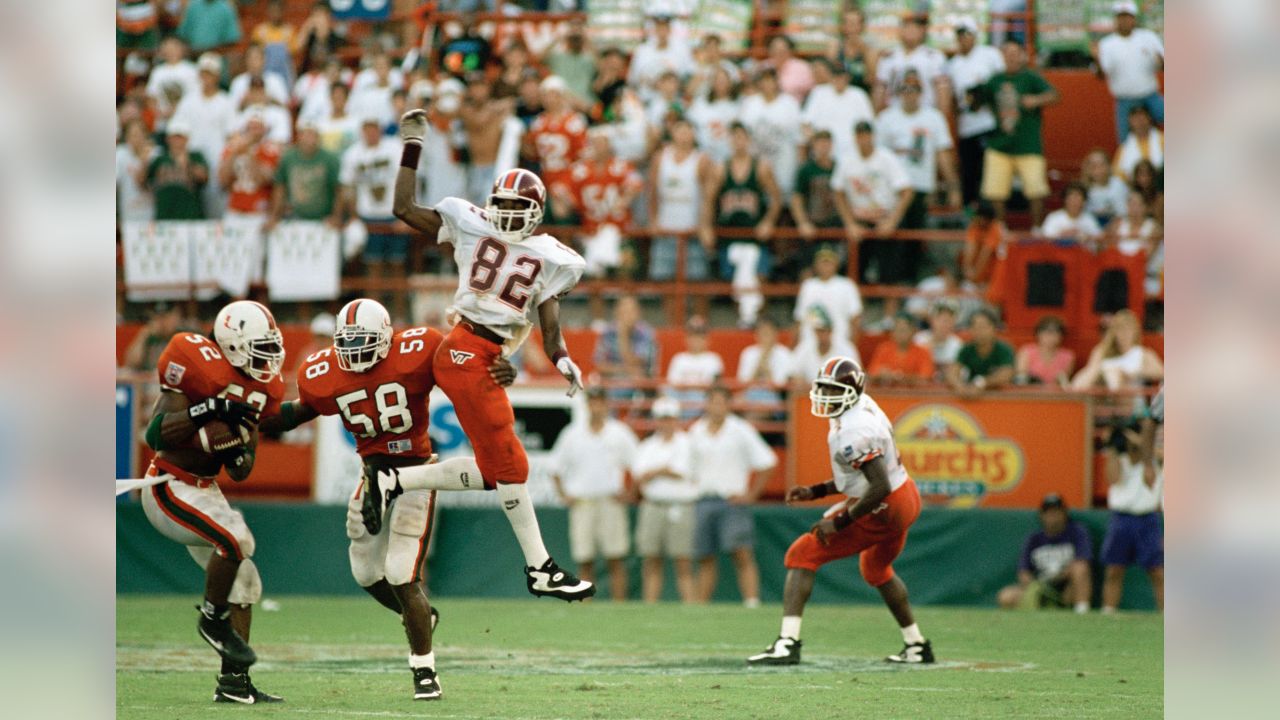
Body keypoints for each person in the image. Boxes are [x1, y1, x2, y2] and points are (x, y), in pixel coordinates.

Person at [261, 299, 517, 701]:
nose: (354, 351)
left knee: (401, 572)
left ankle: (424, 670)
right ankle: (420, 617)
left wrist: (499, 368)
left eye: (363, 341)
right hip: (372, 473)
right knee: (365, 573)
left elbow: (464, 367)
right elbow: (300, 411)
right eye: (347, 342)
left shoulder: (417, 350)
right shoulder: (323, 372)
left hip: (416, 472)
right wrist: (252, 417)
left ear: (386, 336)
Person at [392, 109, 597, 603]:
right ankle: (541, 569)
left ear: (537, 211)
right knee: (511, 464)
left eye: (515, 206)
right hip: (463, 345)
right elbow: (403, 208)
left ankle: (393, 480)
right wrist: (413, 144)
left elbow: (548, 328)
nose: (505, 213)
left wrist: (563, 360)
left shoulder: (552, 257)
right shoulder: (469, 222)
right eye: (500, 203)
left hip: (484, 351)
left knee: (495, 470)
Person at [141, 300, 286, 703]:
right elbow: (155, 436)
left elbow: (242, 470)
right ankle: (212, 619)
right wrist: (209, 409)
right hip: (169, 485)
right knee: (237, 539)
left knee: (246, 580)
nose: (269, 358)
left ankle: (234, 684)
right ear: (233, 344)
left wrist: (235, 449)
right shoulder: (195, 362)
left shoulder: (263, 388)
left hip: (206, 489)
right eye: (260, 347)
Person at [748, 357, 931, 665]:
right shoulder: (861, 408)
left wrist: (843, 521)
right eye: (823, 388)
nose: (824, 396)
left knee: (801, 554)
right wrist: (817, 491)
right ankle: (917, 645)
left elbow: (878, 486)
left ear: (850, 391)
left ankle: (787, 643)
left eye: (832, 390)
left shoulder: (854, 429)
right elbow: (862, 476)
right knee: (875, 569)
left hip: (886, 505)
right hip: (906, 494)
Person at [689, 385, 777, 607]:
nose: (716, 407)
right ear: (706, 404)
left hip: (732, 500)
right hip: (704, 499)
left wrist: (751, 495)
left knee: (741, 553)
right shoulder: (696, 430)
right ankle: (701, 604)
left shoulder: (741, 430)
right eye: (712, 401)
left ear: (728, 405)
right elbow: (688, 467)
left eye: (721, 402)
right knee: (705, 556)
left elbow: (767, 462)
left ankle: (751, 601)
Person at [549, 387, 640, 601]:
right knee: (585, 559)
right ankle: (585, 606)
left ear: (606, 405)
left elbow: (638, 465)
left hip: (610, 501)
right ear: (587, 405)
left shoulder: (619, 433)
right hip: (583, 502)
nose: (596, 407)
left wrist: (629, 494)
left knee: (615, 557)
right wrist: (564, 495)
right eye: (593, 402)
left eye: (600, 402)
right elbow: (555, 468)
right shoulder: (572, 434)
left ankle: (619, 608)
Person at [702, 122, 783, 327]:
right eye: (735, 138)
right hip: (729, 235)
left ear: (749, 140)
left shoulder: (761, 167)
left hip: (754, 236)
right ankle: (743, 322)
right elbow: (709, 200)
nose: (739, 142)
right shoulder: (721, 168)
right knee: (735, 283)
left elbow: (776, 198)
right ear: (730, 141)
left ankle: (759, 323)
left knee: (760, 278)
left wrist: (768, 222)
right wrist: (706, 227)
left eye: (743, 137)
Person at [978, 40, 1059, 227]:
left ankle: (1037, 229)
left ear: (1022, 56)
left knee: (1036, 191)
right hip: (999, 144)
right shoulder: (994, 80)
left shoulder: (1030, 78)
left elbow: (1055, 95)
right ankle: (1001, 229)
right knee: (995, 191)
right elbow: (983, 101)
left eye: (1015, 53)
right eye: (1007, 53)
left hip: (1028, 144)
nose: (1011, 57)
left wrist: (1036, 100)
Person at [632, 397, 698, 603]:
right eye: (662, 419)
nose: (665, 423)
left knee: (683, 561)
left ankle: (690, 607)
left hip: (680, 506)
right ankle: (650, 605)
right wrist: (663, 470)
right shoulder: (648, 446)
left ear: (676, 420)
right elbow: (640, 475)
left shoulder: (687, 443)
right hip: (653, 505)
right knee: (651, 560)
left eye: (669, 419)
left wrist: (656, 471)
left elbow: (680, 472)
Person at [832, 120, 914, 286]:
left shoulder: (887, 158)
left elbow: (907, 191)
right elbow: (837, 192)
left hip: (885, 217)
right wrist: (849, 223)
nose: (863, 140)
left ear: (873, 136)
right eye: (859, 136)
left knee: (891, 273)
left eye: (866, 135)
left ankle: (890, 311)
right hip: (860, 220)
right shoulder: (847, 160)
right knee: (855, 272)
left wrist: (892, 221)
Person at [558, 127, 644, 278]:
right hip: (591, 230)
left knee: (625, 275)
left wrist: (624, 199)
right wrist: (571, 203)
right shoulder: (580, 169)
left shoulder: (620, 166)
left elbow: (635, 184)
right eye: (594, 143)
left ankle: (625, 301)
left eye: (601, 143)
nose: (597, 147)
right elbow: (559, 190)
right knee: (595, 279)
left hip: (619, 228)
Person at [338, 117, 403, 313]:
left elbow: (406, 179)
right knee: (372, 267)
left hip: (393, 213)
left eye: (374, 128)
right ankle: (373, 315)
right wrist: (354, 215)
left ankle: (399, 313)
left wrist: (404, 213)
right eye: (367, 128)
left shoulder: (394, 148)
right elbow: (348, 187)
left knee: (397, 265)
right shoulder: (353, 154)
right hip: (368, 215)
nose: (371, 133)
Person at [1099, 419, 1164, 612]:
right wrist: (1113, 448)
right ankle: (1108, 611)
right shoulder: (1120, 459)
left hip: (1147, 518)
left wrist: (1139, 442)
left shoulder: (1153, 460)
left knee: (1157, 571)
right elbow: (1113, 479)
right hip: (1121, 518)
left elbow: (1162, 455)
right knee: (1114, 569)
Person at [996, 493, 1094, 613]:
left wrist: (1058, 577)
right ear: (1041, 515)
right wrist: (1035, 586)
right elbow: (1023, 572)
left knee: (1080, 568)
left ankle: (1082, 611)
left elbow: (1082, 562)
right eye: (1048, 512)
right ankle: (1029, 622)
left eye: (1056, 511)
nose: (1052, 516)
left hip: (1065, 588)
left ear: (1064, 513)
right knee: (1006, 596)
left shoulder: (1077, 532)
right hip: (1042, 588)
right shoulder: (1034, 539)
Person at [648, 117, 716, 282]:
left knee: (697, 282)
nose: (684, 135)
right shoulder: (660, 158)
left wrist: (705, 225)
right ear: (672, 133)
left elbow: (708, 197)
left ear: (694, 135)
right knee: (664, 281)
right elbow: (653, 192)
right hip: (666, 229)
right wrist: (653, 220)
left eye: (688, 131)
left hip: (692, 231)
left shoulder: (702, 160)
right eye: (680, 131)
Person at [946, 17, 1005, 206]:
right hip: (967, 123)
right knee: (969, 170)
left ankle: (989, 212)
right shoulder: (953, 64)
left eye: (967, 34)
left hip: (990, 121)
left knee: (990, 170)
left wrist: (984, 94)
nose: (963, 39)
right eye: (960, 35)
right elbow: (954, 98)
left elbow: (1002, 84)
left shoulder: (990, 54)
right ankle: (971, 212)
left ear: (975, 35)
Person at [1095, 2, 1164, 140]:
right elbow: (1101, 74)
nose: (1124, 20)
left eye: (1128, 16)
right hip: (1125, 100)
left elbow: (1163, 64)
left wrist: (1161, 61)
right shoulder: (1107, 44)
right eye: (1121, 17)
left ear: (1134, 18)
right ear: (1115, 19)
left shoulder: (1148, 37)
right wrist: (1096, 61)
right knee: (1125, 142)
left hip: (1150, 95)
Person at [525, 77, 590, 223]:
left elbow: (584, 156)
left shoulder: (574, 121)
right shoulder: (539, 122)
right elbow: (532, 153)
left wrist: (569, 182)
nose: (548, 99)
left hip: (568, 176)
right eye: (545, 95)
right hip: (546, 176)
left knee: (562, 214)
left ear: (561, 95)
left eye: (552, 94)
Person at [265, 120, 342, 232]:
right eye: (306, 134)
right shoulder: (288, 157)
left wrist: (336, 216)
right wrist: (274, 216)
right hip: (294, 217)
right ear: (299, 136)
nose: (309, 138)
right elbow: (280, 188)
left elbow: (338, 190)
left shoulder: (330, 159)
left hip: (323, 219)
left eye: (313, 134)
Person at [739, 69, 802, 197]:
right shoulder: (749, 103)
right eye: (764, 80)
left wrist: (799, 164)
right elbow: (741, 136)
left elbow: (799, 138)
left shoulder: (789, 103)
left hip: (783, 161)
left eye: (770, 80)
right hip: (756, 161)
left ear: (776, 82)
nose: (767, 84)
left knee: (783, 197)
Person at [1071, 309, 1163, 391]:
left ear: (1135, 331)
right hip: (1103, 397)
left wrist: (1134, 373)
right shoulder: (1102, 350)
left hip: (1131, 401)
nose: (1124, 334)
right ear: (1113, 332)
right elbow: (1090, 371)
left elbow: (1161, 373)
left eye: (1128, 330)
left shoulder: (1144, 354)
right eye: (1120, 330)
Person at [875, 13, 949, 112]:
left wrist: (940, 118)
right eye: (907, 27)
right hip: (895, 114)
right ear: (900, 30)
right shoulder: (889, 57)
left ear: (922, 31)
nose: (911, 31)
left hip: (925, 112)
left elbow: (942, 91)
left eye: (915, 28)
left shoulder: (934, 56)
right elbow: (880, 89)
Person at [794, 246, 863, 349]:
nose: (826, 266)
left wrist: (851, 346)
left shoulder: (847, 285)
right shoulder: (808, 286)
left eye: (829, 262)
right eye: (822, 262)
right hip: (810, 345)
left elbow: (855, 319)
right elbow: (799, 319)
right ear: (816, 264)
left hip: (839, 344)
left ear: (836, 264)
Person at [146, 120, 210, 220]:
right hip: (164, 215)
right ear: (168, 138)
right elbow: (143, 181)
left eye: (180, 137)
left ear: (187, 139)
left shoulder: (196, 156)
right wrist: (144, 159)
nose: (177, 141)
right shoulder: (160, 159)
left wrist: (187, 164)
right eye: (174, 137)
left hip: (191, 217)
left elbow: (204, 177)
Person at [627, 12, 695, 102]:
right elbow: (632, 78)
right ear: (654, 29)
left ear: (670, 29)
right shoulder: (643, 50)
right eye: (659, 27)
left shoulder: (682, 49)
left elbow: (689, 75)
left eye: (665, 27)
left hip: (673, 101)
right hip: (646, 100)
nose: (662, 31)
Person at [593, 294, 659, 387]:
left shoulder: (646, 334)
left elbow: (636, 363)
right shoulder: (607, 333)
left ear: (638, 313)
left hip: (641, 384)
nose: (627, 316)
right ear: (616, 313)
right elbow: (599, 364)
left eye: (631, 311)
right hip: (611, 382)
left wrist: (623, 336)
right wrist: (622, 369)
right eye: (623, 311)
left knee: (637, 377)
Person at [946, 307, 1015, 395]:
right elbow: (952, 372)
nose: (979, 331)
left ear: (994, 328)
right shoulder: (967, 349)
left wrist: (983, 383)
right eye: (975, 327)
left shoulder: (1004, 349)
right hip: (972, 396)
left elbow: (1006, 374)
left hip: (1000, 398)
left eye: (983, 327)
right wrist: (959, 386)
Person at [789, 307, 858, 389]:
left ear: (831, 331)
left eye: (825, 330)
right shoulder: (804, 348)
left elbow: (856, 378)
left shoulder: (846, 350)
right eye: (819, 331)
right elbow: (792, 374)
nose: (823, 335)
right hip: (809, 395)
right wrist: (798, 380)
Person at [867, 313, 935, 386]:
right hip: (888, 393)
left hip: (913, 395)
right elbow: (871, 374)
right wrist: (881, 374)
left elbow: (926, 378)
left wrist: (902, 378)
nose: (900, 333)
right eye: (897, 329)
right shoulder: (884, 349)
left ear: (913, 331)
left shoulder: (923, 352)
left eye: (903, 330)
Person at [1015, 315, 1075, 386]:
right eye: (1047, 332)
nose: (1051, 337)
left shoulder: (1068, 356)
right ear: (1038, 333)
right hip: (1029, 392)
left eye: (1056, 333)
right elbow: (1021, 377)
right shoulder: (1027, 351)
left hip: (1055, 394)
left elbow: (1064, 382)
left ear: (1061, 336)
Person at [666, 316, 724, 388]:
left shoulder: (713, 359)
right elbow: (672, 384)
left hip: (705, 397)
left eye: (700, 337)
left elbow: (715, 386)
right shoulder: (679, 358)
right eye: (692, 336)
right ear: (686, 339)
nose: (696, 340)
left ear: (707, 340)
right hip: (681, 397)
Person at [960, 200, 1006, 290]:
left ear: (984, 218)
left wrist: (975, 276)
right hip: (976, 278)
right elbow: (969, 249)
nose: (973, 218)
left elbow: (985, 255)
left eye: (976, 216)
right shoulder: (974, 226)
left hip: (993, 278)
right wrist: (967, 270)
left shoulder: (996, 229)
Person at [1040, 182, 1103, 248]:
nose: (1074, 202)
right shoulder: (1053, 218)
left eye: (1077, 198)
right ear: (1065, 200)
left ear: (1084, 201)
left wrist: (1087, 237)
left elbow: (1099, 239)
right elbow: (1044, 240)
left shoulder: (1089, 219)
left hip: (1083, 255)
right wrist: (1062, 236)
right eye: (1071, 198)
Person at [737, 317, 793, 389]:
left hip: (776, 396)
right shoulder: (748, 352)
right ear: (756, 335)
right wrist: (758, 366)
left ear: (776, 334)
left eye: (769, 332)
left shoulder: (785, 353)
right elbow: (742, 383)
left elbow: (782, 386)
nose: (766, 335)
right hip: (750, 393)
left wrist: (766, 369)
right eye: (762, 332)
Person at [1112, 105, 1164, 183]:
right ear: (1130, 121)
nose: (1140, 121)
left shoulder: (1163, 139)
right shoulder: (1124, 147)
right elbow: (1117, 173)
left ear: (1149, 118)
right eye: (1135, 118)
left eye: (1142, 117)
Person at [229, 44, 289, 110]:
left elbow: (285, 106)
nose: (253, 62)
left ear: (264, 59)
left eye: (257, 58)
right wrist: (244, 102)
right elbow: (231, 110)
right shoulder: (238, 82)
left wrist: (270, 100)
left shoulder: (276, 80)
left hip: (271, 117)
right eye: (250, 58)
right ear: (245, 60)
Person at [914, 301, 963, 379]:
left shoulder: (958, 344)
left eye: (949, 320)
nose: (945, 324)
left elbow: (959, 373)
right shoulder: (919, 339)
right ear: (932, 320)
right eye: (941, 319)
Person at [1081, 148, 1129, 226]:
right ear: (1087, 169)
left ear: (1109, 166)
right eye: (1093, 166)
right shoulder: (1083, 189)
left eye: (1101, 165)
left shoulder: (1118, 185)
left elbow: (1124, 214)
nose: (1098, 170)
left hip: (1117, 226)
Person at [176, 0, 242, 53]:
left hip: (216, 55)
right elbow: (182, 34)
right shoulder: (193, 6)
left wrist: (212, 50)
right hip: (193, 54)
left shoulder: (226, 9)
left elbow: (233, 39)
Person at [765, 35, 815, 102]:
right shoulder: (764, 66)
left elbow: (810, 90)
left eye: (781, 51)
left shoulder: (801, 67)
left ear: (790, 51)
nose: (777, 53)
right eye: (774, 50)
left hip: (794, 107)